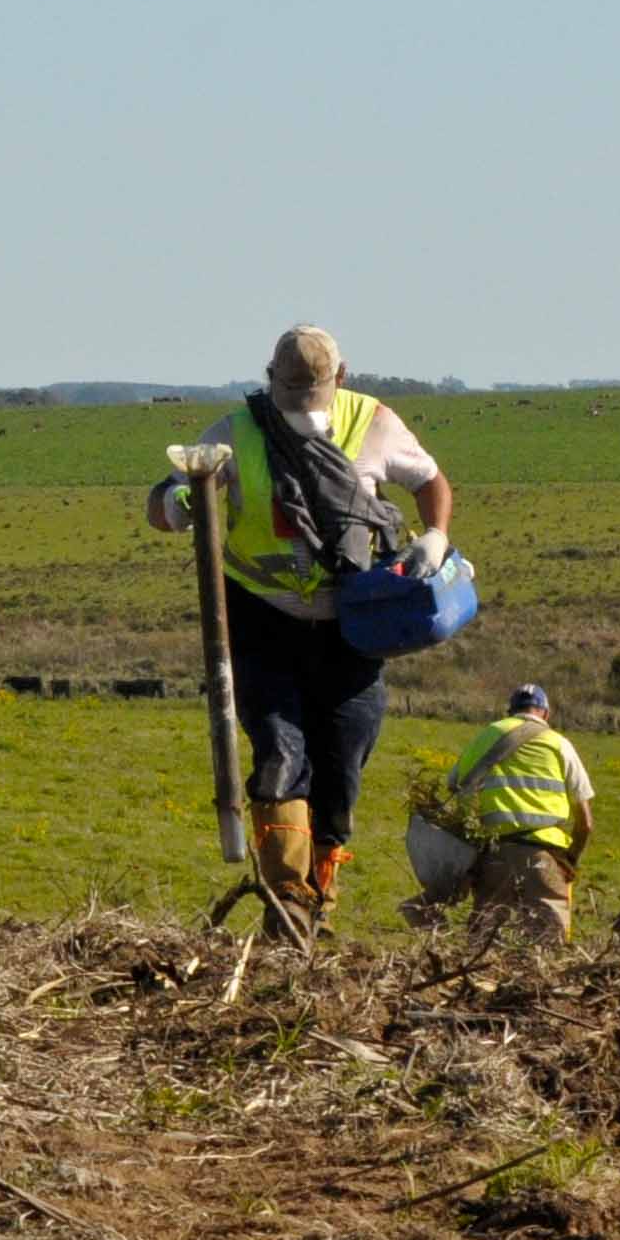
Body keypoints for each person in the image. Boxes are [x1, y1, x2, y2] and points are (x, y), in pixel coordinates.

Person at [145, 326, 456, 931]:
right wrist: (178, 503)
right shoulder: (237, 433)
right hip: (263, 622)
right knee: (281, 754)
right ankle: (287, 902)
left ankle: (319, 896)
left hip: (352, 630)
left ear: (340, 378)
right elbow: (165, 498)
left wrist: (437, 537)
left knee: (340, 768)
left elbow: (430, 482)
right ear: (269, 379)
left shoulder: (375, 422)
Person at [426, 682, 598, 945]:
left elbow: (455, 784)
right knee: (548, 947)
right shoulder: (559, 744)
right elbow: (585, 824)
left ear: (510, 712)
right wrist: (569, 863)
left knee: (481, 942)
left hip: (496, 855)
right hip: (546, 857)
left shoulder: (488, 735)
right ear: (546, 714)